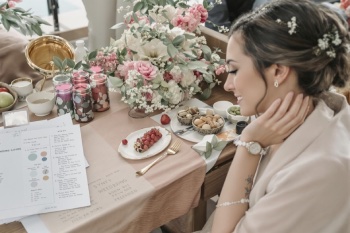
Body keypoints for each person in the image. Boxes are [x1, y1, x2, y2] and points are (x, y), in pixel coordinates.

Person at [198, 0, 350, 232]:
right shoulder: (302, 113)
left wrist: (248, 145)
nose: (228, 85)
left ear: (278, 71)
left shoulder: (317, 170)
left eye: (235, 70)